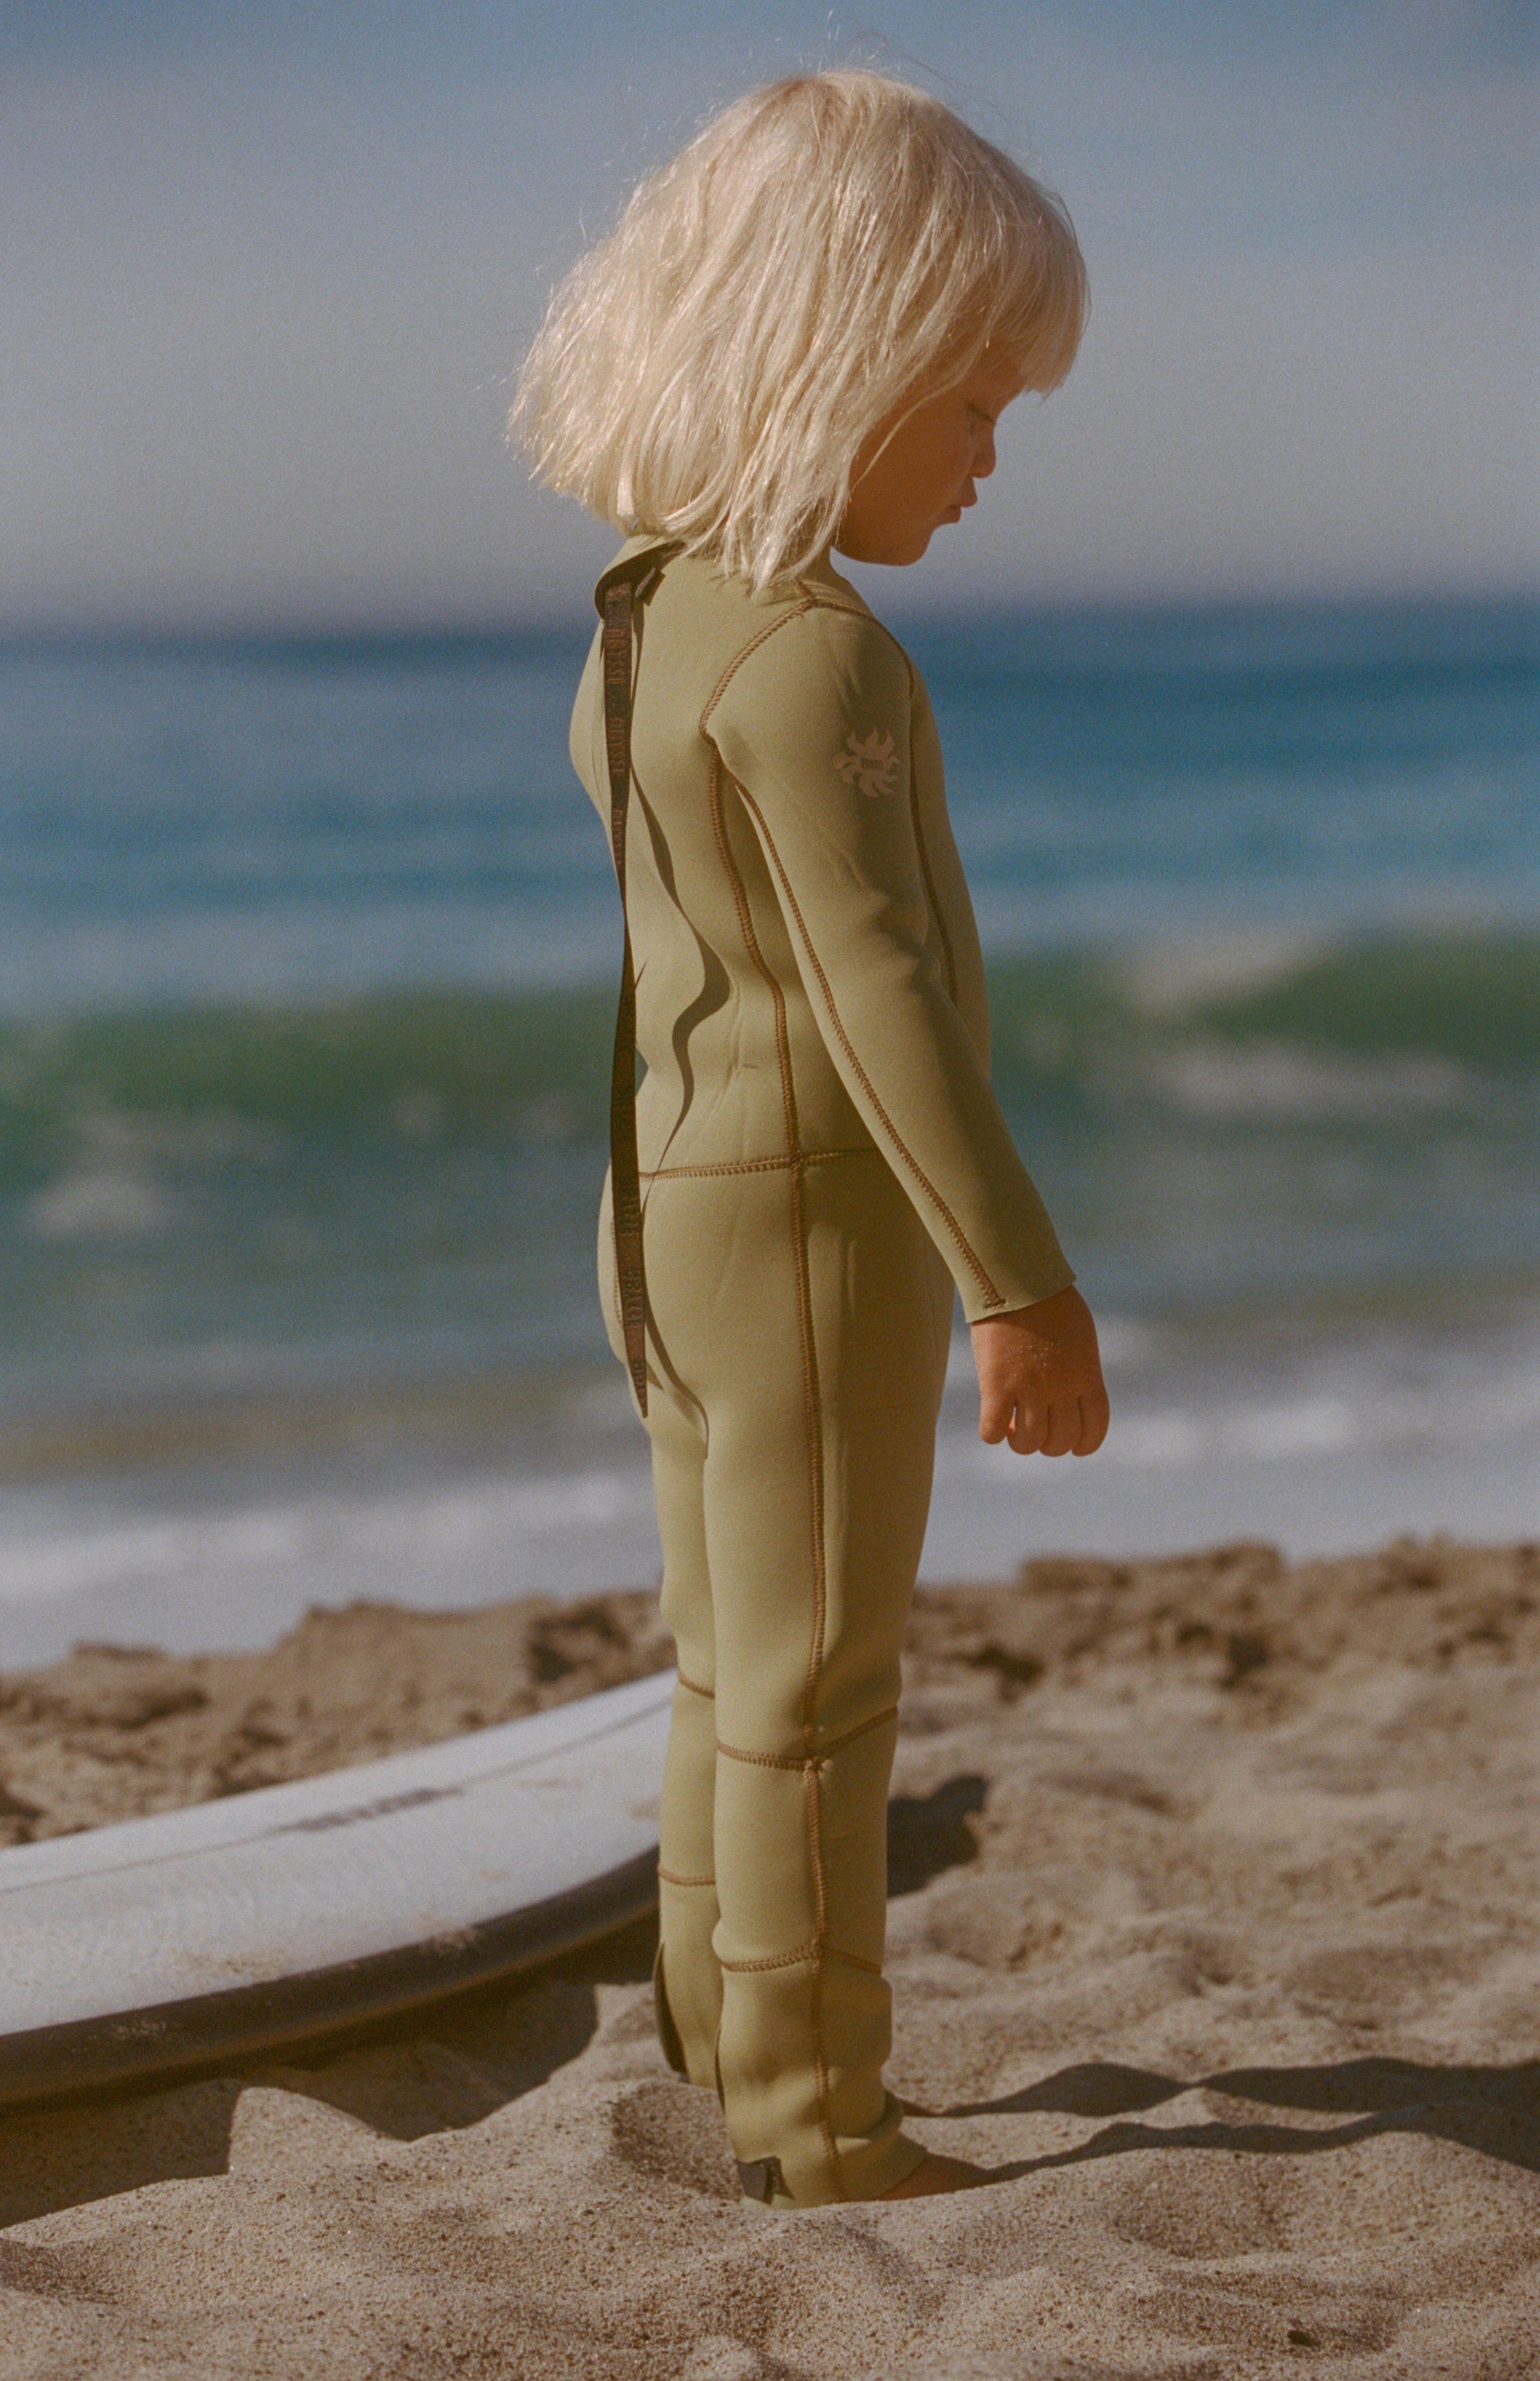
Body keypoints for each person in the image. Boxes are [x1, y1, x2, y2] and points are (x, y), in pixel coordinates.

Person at [513, 68, 1110, 2208]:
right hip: (813, 1219)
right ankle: (819, 2118)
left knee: (726, 1658)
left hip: (668, 1193)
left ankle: (718, 2041)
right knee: (822, 1685)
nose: (983, 460)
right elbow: (882, 994)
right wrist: (1018, 1278)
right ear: (840, 367)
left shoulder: (643, 618)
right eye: (967, 404)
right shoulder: (817, 654)